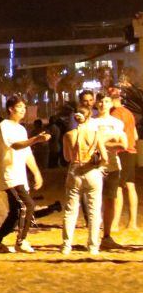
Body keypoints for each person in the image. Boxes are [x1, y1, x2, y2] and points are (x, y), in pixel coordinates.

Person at [0, 96, 49, 254]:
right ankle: (21, 241)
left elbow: (27, 152)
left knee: (15, 214)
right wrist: (36, 139)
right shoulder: (4, 126)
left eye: (24, 107)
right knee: (27, 205)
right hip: (10, 175)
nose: (23, 110)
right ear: (10, 109)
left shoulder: (21, 129)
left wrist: (36, 173)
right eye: (20, 107)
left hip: (20, 175)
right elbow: (15, 146)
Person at [61, 106, 104, 255]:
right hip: (91, 171)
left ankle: (66, 245)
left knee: (70, 211)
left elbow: (67, 157)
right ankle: (93, 246)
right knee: (94, 211)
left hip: (74, 170)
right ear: (89, 116)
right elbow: (104, 158)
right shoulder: (95, 134)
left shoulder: (68, 135)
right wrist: (98, 165)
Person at [91, 94, 129, 250]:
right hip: (95, 167)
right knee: (94, 203)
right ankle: (93, 237)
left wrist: (101, 143)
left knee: (110, 201)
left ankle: (107, 236)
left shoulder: (117, 123)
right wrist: (108, 143)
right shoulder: (91, 122)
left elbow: (124, 144)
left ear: (110, 103)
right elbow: (89, 144)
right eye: (100, 101)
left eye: (106, 101)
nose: (103, 104)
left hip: (113, 166)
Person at [108, 86, 138, 233]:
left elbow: (115, 136)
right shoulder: (129, 113)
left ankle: (114, 223)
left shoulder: (115, 114)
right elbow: (136, 136)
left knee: (117, 187)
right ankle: (132, 223)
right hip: (132, 151)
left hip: (121, 152)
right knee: (130, 186)